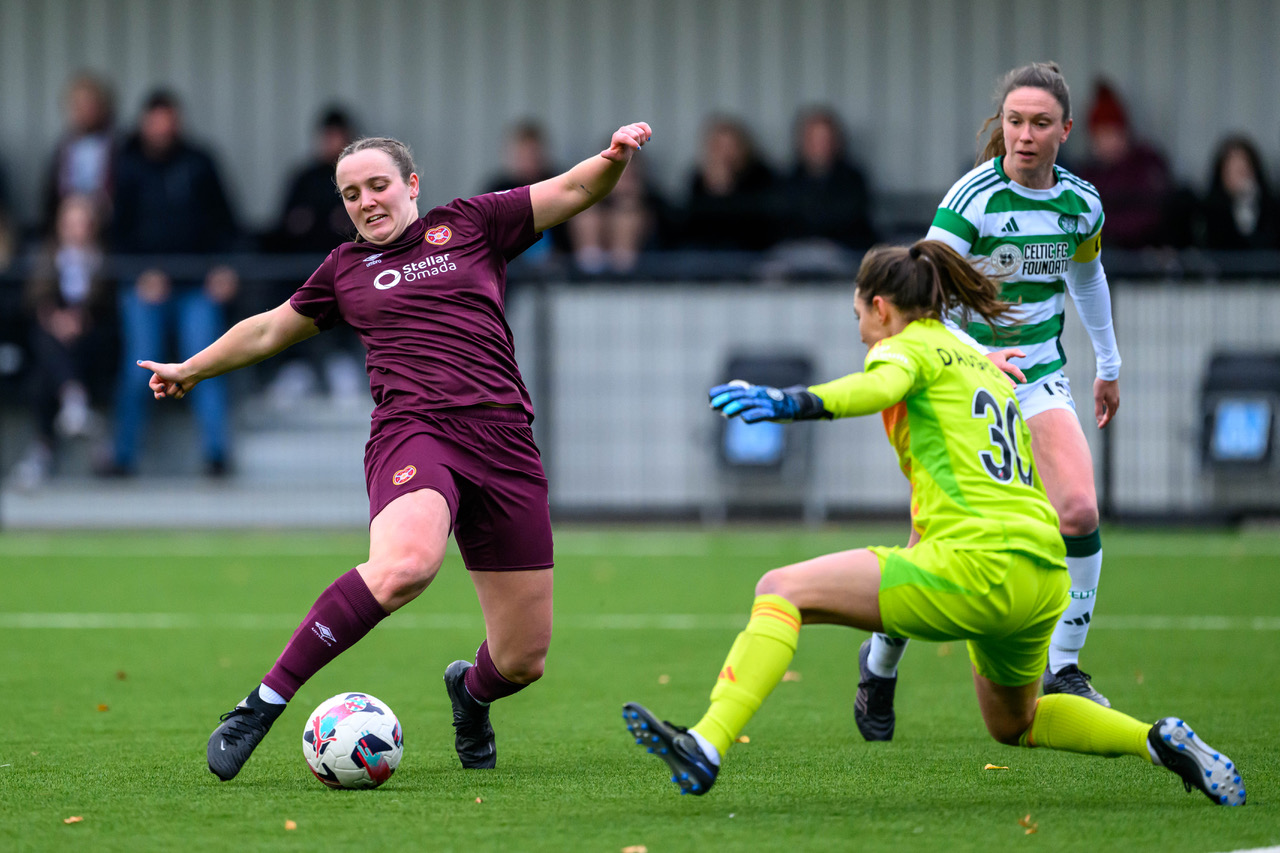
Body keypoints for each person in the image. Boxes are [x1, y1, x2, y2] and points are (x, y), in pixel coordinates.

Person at [623, 239, 1245, 807]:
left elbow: (878, 385)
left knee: (780, 590)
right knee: (1017, 723)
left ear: (880, 307)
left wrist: (793, 402)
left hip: (975, 566)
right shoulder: (981, 364)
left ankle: (705, 744)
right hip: (1041, 573)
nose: (863, 335)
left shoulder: (907, 348)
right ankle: (1155, 740)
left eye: (860, 319)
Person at [135, 121, 652, 781]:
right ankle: (259, 705)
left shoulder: (471, 224)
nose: (366, 201)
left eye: (377, 185)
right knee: (406, 565)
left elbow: (576, 188)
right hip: (416, 432)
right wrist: (193, 367)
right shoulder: (344, 269)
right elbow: (267, 329)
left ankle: (471, 693)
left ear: (411, 184)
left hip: (505, 443)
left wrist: (613, 159)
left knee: (522, 660)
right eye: (351, 194)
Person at [857, 63, 1121, 739]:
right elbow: (920, 299)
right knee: (932, 541)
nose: (1024, 135)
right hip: (964, 381)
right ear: (999, 124)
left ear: (1065, 130)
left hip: (1036, 378)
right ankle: (881, 659)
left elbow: (1087, 280)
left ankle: (1064, 663)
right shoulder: (972, 199)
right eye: (1013, 121)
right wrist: (978, 358)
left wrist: (1109, 364)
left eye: (1039, 123)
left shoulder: (1081, 204)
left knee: (1080, 507)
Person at [108, 90, 241, 476]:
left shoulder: (200, 163)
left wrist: (224, 268)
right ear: (146, 124)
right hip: (146, 288)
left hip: (198, 286)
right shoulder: (128, 166)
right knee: (138, 369)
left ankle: (217, 455)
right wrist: (139, 274)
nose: (164, 129)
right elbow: (117, 235)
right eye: (157, 121)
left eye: (170, 121)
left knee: (206, 366)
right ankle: (122, 456)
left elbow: (226, 223)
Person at [8, 194, 114, 489]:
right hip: (53, 335)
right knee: (44, 353)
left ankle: (43, 449)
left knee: (47, 370)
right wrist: (54, 316)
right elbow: (33, 297)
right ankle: (75, 403)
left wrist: (82, 318)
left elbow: (107, 303)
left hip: (91, 341)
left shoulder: (104, 258)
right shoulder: (48, 255)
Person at [263, 106, 366, 403]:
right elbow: (282, 227)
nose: (332, 144)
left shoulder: (362, 179)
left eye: (339, 137)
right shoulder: (303, 179)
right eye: (328, 137)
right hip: (303, 272)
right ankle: (297, 370)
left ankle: (342, 367)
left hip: (349, 270)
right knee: (289, 301)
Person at [1073, 80, 1173, 249]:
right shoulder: (1087, 176)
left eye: (1112, 133)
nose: (1107, 142)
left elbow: (1153, 215)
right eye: (1101, 136)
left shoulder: (1146, 164)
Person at [777, 106, 877, 249]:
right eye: (815, 140)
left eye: (826, 139)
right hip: (797, 253)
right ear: (802, 141)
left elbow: (852, 222)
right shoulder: (787, 180)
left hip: (843, 253)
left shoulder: (853, 179)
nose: (821, 146)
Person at [677, 116, 779, 251]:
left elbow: (759, 228)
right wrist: (714, 190)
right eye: (719, 147)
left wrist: (727, 190)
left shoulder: (762, 177)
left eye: (731, 147)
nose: (725, 154)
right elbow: (690, 227)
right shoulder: (698, 180)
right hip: (706, 254)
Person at [41, 71, 117, 232]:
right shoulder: (63, 149)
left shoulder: (117, 147)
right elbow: (50, 197)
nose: (84, 111)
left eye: (90, 105)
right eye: (78, 105)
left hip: (107, 232)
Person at [1199, 135, 1280, 251]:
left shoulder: (1271, 209)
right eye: (1232, 171)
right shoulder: (1207, 211)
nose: (1239, 179)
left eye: (1243, 171)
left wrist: (1249, 206)